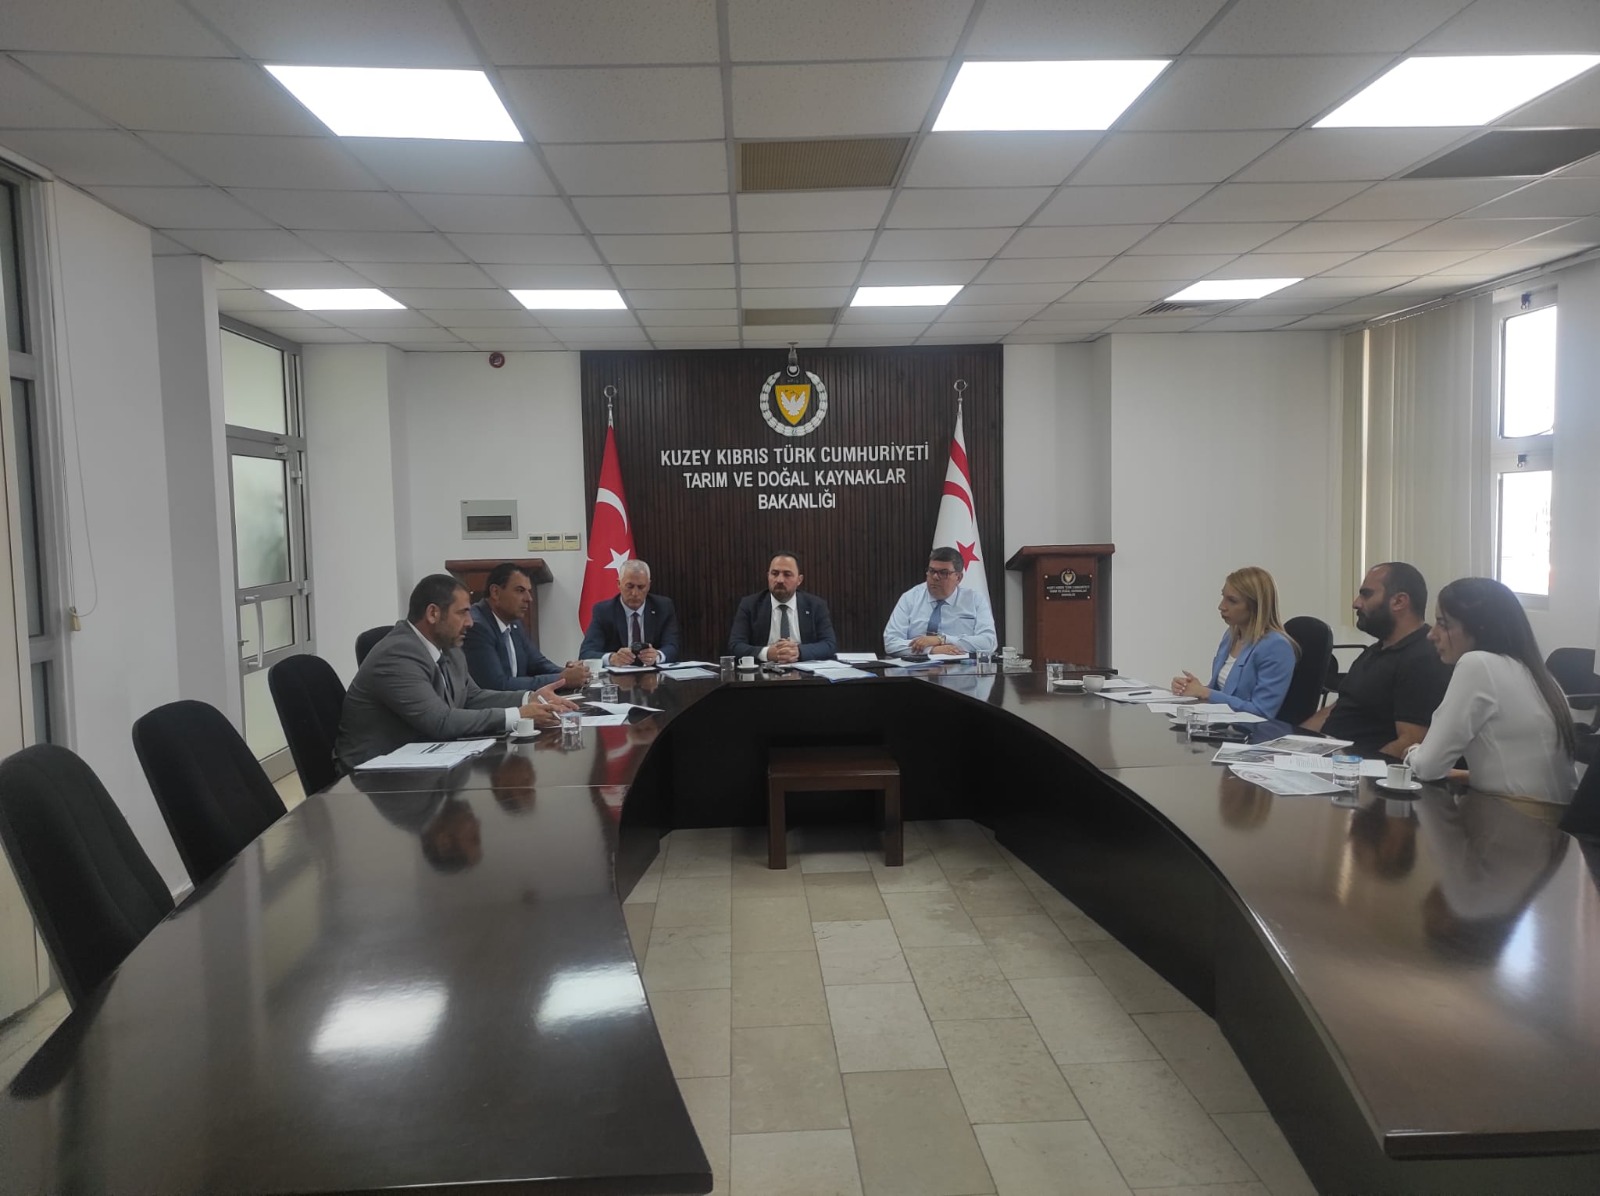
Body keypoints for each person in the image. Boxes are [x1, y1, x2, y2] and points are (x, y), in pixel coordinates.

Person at [336, 574, 574, 769]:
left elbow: (471, 697)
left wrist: (529, 698)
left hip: (423, 758)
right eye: (462, 613)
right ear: (433, 613)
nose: (470, 622)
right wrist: (518, 715)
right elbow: (440, 721)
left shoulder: (448, 647)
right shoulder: (397, 654)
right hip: (372, 776)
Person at [1405, 577, 1578, 807]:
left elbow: (1428, 767)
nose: (1431, 634)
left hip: (1513, 819)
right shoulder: (1539, 675)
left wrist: (1412, 752)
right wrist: (1465, 775)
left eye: (1443, 624)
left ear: (1480, 628)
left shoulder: (1478, 664)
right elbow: (1522, 769)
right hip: (1553, 822)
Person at [1302, 562, 1452, 756]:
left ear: (1399, 601)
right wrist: (1291, 742)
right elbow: (1341, 707)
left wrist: (1352, 768)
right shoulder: (1376, 650)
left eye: (1366, 594)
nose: (1356, 603)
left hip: (1357, 769)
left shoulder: (1423, 659)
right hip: (1330, 759)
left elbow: (1411, 742)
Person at [1170, 566, 1297, 719]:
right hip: (1222, 725)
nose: (1221, 606)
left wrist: (1206, 693)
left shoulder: (1276, 647)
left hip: (1249, 730)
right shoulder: (1231, 635)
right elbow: (1223, 693)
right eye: (1223, 597)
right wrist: (1194, 688)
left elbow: (1262, 712)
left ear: (1255, 606)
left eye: (1232, 601)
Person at [463, 563, 587, 692]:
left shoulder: (514, 623)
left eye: (529, 591)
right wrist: (562, 679)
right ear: (495, 592)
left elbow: (537, 664)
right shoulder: (477, 627)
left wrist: (570, 672)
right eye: (520, 590)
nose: (529, 598)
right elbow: (497, 685)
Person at [882, 546, 996, 657]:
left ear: (958, 577)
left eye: (943, 573)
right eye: (932, 571)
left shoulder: (975, 600)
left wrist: (942, 639)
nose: (935, 577)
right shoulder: (910, 598)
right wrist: (932, 650)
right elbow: (891, 642)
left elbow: (989, 642)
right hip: (916, 665)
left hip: (962, 666)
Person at [728, 551, 837, 663]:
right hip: (763, 671)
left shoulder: (816, 605)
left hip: (803, 670)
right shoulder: (750, 605)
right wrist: (766, 653)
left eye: (787, 574)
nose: (779, 580)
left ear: (799, 580)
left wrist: (798, 652)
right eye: (774, 574)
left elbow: (829, 644)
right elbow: (735, 645)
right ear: (768, 576)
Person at [579, 559, 681, 667]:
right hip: (618, 675)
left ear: (649, 586)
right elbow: (586, 653)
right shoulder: (604, 611)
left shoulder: (663, 607)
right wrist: (611, 658)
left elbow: (673, 647)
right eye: (629, 586)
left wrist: (657, 656)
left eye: (641, 587)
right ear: (619, 584)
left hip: (653, 674)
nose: (635, 593)